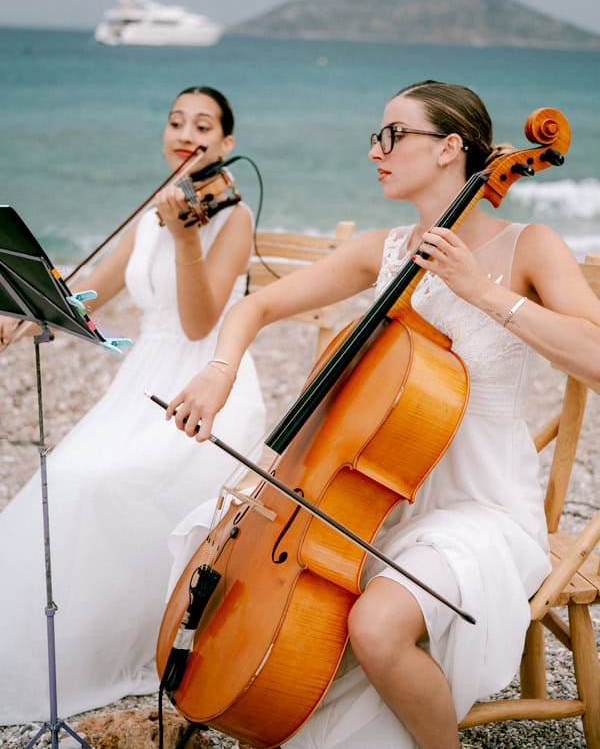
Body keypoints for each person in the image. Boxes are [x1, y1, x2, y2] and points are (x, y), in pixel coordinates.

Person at [165, 80, 600, 749]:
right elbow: (254, 307)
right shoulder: (386, 249)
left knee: (375, 627)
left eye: (392, 135)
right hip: (371, 504)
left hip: (478, 511)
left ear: (451, 148)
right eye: (376, 136)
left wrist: (483, 293)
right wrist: (219, 371)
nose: (375, 150)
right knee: (216, 557)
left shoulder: (530, 246)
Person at [0, 86, 266, 724]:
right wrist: (32, 312)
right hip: (142, 377)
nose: (187, 132)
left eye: (204, 125)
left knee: (102, 481)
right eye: (177, 121)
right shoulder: (158, 204)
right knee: (61, 476)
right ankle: (40, 647)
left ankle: (119, 650)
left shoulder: (233, 214)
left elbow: (203, 324)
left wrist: (185, 241)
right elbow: (99, 287)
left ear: (227, 144)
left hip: (206, 385)